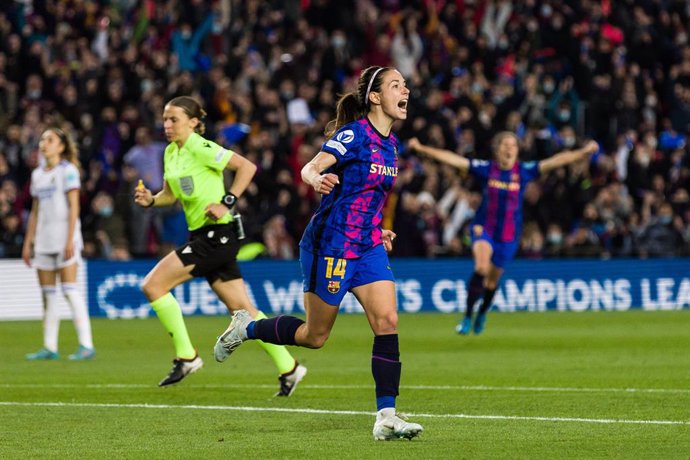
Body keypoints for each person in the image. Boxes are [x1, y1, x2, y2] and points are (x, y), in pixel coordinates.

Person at [214, 66, 423, 441]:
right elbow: (312, 167)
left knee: (387, 320)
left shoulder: (391, 145)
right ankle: (247, 327)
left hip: (368, 245)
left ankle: (386, 416)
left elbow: (368, 199)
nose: (404, 90)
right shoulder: (355, 134)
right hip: (333, 244)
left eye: (404, 85)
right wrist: (315, 179)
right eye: (396, 85)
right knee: (315, 336)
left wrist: (378, 230)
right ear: (374, 97)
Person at [133, 96, 306, 393]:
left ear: (193, 122)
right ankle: (289, 368)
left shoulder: (200, 147)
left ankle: (187, 356)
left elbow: (246, 167)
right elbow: (169, 195)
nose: (167, 125)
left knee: (152, 285)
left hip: (217, 236)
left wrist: (228, 202)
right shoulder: (171, 154)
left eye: (174, 119)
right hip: (205, 236)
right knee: (244, 311)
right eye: (164, 119)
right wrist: (151, 200)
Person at [408, 133, 599, 335]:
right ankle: (466, 316)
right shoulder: (486, 169)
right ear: (497, 149)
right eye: (505, 145)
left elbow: (557, 160)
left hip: (508, 236)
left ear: (517, 151)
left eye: (513, 146)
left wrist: (584, 152)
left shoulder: (524, 172)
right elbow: (453, 159)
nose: (509, 149)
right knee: (481, 268)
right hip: (484, 228)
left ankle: (481, 313)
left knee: (491, 282)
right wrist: (422, 149)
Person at [22, 127, 96, 361]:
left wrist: (70, 239)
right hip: (43, 241)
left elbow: (74, 207)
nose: (44, 143)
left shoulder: (68, 171)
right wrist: (28, 242)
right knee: (48, 294)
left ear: (61, 146)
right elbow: (35, 211)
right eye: (42, 139)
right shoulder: (38, 174)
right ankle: (49, 347)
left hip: (65, 238)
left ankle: (86, 344)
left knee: (70, 290)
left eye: (50, 140)